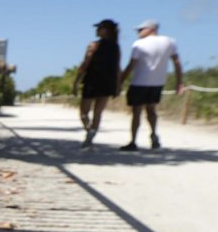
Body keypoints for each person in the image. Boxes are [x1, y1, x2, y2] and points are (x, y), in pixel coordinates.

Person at [118, 19, 183, 151]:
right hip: (157, 82)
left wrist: (120, 81)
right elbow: (176, 62)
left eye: (141, 29)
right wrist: (179, 81)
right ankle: (153, 135)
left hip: (139, 82)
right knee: (151, 110)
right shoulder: (170, 41)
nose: (139, 32)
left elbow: (131, 65)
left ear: (151, 29)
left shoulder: (139, 44)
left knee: (136, 112)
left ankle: (133, 141)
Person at [72, 19, 120, 148]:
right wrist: (117, 85)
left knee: (84, 112)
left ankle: (90, 133)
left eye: (100, 28)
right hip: (106, 83)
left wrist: (76, 81)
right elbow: (117, 68)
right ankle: (91, 133)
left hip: (93, 81)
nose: (97, 30)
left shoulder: (94, 45)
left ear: (107, 30)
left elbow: (85, 64)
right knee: (96, 113)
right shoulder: (115, 47)